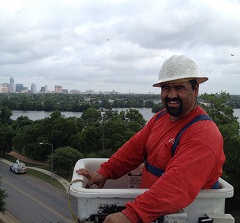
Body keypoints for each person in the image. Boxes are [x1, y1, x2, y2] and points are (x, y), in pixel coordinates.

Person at [76, 55, 225, 223]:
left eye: (179, 88)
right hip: (153, 210)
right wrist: (105, 171)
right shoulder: (162, 117)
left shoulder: (203, 134)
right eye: (166, 88)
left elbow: (177, 185)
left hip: (183, 215)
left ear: (195, 89)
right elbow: (134, 148)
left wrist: (131, 215)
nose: (172, 95)